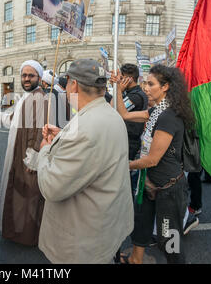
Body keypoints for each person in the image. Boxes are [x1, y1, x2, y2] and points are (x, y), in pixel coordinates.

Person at [36, 59, 134, 264]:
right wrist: (63, 135)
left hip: (82, 238)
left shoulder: (86, 127)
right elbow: (95, 150)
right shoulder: (110, 114)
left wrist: (45, 151)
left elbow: (51, 187)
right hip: (105, 224)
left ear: (73, 84)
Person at [111, 64, 196, 264]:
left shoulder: (169, 116)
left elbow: (152, 159)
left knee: (168, 238)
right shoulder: (156, 111)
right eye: (145, 83)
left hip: (168, 189)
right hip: (148, 182)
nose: (145, 88)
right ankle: (136, 259)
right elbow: (123, 115)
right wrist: (118, 89)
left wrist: (124, 165)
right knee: (141, 224)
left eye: (151, 84)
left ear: (165, 87)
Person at [0, 60, 48, 247]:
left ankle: (26, 237)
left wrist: (32, 159)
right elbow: (12, 120)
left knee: (27, 198)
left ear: (39, 78)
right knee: (19, 196)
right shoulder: (25, 98)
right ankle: (16, 232)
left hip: (27, 158)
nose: (26, 79)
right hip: (17, 154)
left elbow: (40, 131)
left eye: (31, 75)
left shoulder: (40, 98)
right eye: (24, 75)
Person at [112, 64, 148, 197]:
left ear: (130, 79)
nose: (119, 81)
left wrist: (118, 91)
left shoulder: (136, 96)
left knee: (123, 180)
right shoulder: (133, 93)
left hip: (129, 141)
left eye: (122, 78)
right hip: (128, 139)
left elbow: (113, 109)